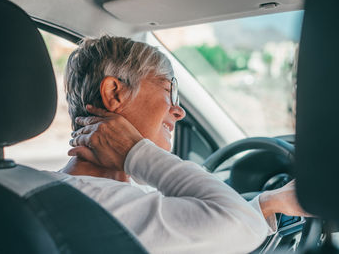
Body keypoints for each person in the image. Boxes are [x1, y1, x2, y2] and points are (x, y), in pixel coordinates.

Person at [59, 35, 308, 254]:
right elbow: (239, 224)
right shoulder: (100, 207)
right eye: (170, 91)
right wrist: (135, 152)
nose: (179, 112)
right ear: (115, 93)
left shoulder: (67, 191)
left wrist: (269, 203)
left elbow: (218, 229)